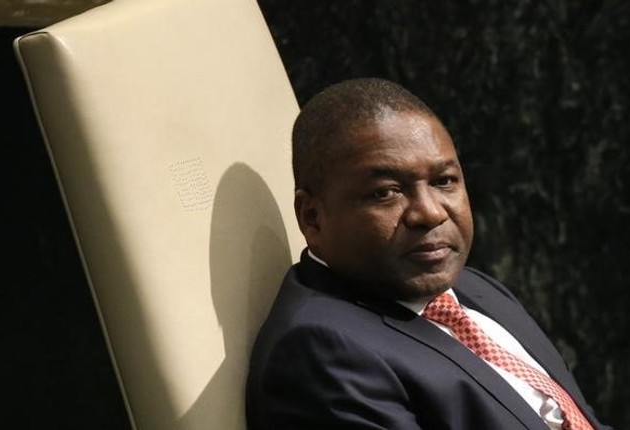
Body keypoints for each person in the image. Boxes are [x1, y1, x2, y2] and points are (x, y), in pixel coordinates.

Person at [245, 78, 611, 430]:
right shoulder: (321, 352)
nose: (431, 212)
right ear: (313, 217)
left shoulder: (472, 288)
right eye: (386, 192)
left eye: (444, 181)